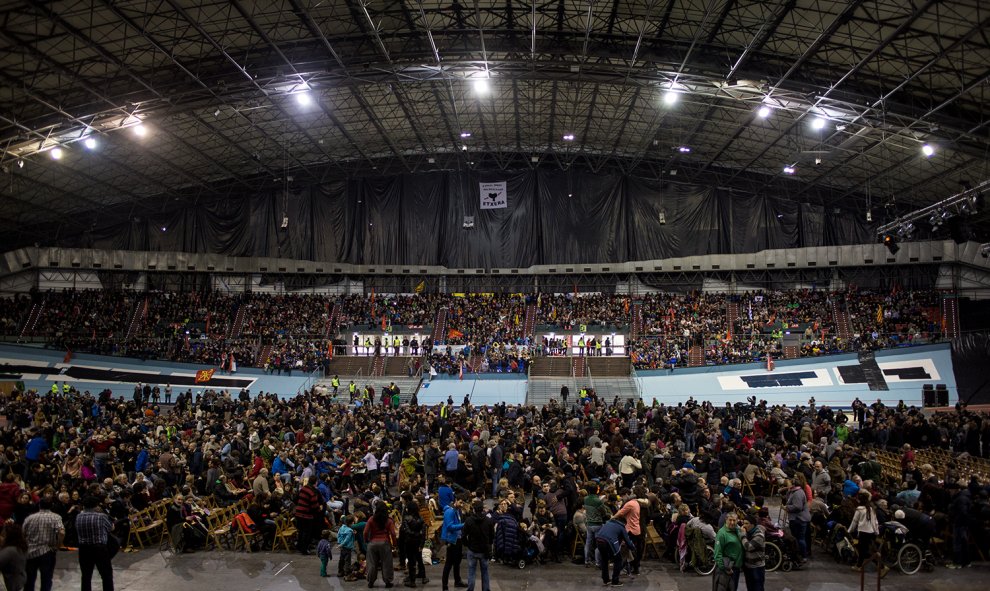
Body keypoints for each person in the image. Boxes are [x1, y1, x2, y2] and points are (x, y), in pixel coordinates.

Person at [23, 497, 64, 591]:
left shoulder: (30, 518)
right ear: (51, 506)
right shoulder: (56, 517)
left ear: (39, 505)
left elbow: (23, 533)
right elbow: (61, 533)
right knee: (46, 579)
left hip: (30, 552)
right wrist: (58, 545)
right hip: (47, 551)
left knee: (29, 580)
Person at [75, 495, 114, 591]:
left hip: (84, 548)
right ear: (96, 506)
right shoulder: (101, 516)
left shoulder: (78, 516)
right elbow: (111, 528)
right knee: (106, 575)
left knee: (86, 576)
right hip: (99, 548)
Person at [848, 490, 885, 576]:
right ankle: (859, 566)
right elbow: (875, 522)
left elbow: (854, 521)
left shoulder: (859, 509)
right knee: (865, 550)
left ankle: (882, 566)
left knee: (865, 551)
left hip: (863, 532)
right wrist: (876, 532)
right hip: (871, 532)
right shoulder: (871, 509)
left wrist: (849, 530)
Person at [461, 500, 493, 591]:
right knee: (485, 572)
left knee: (471, 572)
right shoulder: (488, 520)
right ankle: (486, 589)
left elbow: (463, 535)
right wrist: (489, 545)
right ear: (483, 509)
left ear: (474, 510)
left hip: (472, 550)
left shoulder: (469, 520)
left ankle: (470, 589)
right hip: (484, 550)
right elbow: (492, 536)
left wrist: (467, 544)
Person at [364, 502, 397, 588]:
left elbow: (365, 532)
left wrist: (366, 541)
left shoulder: (371, 519)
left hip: (372, 543)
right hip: (385, 543)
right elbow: (393, 534)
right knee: (386, 563)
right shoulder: (389, 520)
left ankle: (370, 582)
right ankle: (387, 582)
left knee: (371, 564)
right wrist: (394, 544)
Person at [594, 517, 634, 587]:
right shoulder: (621, 527)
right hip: (608, 541)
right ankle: (615, 581)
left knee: (604, 560)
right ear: (624, 523)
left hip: (598, 539)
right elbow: (628, 541)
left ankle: (605, 580)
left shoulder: (608, 523)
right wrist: (633, 548)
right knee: (618, 560)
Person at [712, 512, 743, 591]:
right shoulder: (722, 534)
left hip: (736, 568)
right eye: (730, 520)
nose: (732, 522)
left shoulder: (737, 530)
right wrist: (725, 568)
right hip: (728, 569)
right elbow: (717, 554)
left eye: (734, 520)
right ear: (726, 520)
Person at [441, 498, 466, 591]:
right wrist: (463, 525)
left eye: (463, 502)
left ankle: (457, 581)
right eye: (460, 502)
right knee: (448, 564)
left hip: (457, 539)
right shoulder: (449, 511)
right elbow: (450, 526)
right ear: (455, 500)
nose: (462, 504)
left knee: (457, 562)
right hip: (451, 540)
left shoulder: (457, 510)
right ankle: (445, 586)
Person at [0, 522, 28, 591]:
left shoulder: (10, 551)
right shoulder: (20, 546)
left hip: (13, 584)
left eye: (3, 535)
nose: (1, 537)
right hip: (19, 581)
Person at [740, 515, 765, 591]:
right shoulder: (748, 532)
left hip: (757, 568)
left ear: (753, 525)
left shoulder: (759, 535)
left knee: (758, 588)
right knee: (750, 588)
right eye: (743, 523)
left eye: (747, 523)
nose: (744, 525)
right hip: (748, 567)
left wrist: (743, 535)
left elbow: (748, 547)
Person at [337, 515, 358, 580]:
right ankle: (347, 574)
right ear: (351, 523)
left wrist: (339, 543)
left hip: (342, 547)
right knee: (347, 561)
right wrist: (342, 544)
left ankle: (340, 572)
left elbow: (338, 535)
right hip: (347, 547)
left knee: (341, 559)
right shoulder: (349, 531)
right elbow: (347, 539)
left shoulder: (342, 527)